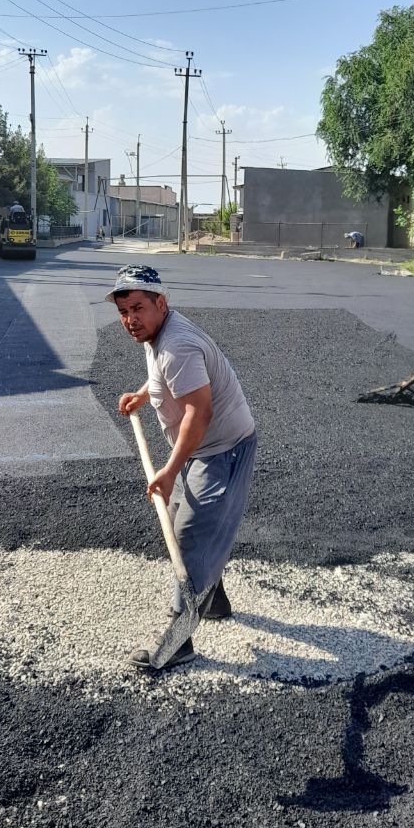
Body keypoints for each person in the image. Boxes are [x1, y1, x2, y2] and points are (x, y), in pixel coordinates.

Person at [109, 263, 257, 672]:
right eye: (123, 312)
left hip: (223, 448)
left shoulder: (178, 345)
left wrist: (171, 469)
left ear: (161, 302)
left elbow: (199, 412)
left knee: (189, 533)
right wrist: (143, 395)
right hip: (202, 448)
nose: (130, 320)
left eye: (137, 308)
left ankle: (179, 641)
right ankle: (214, 600)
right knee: (188, 522)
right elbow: (166, 377)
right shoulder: (156, 334)